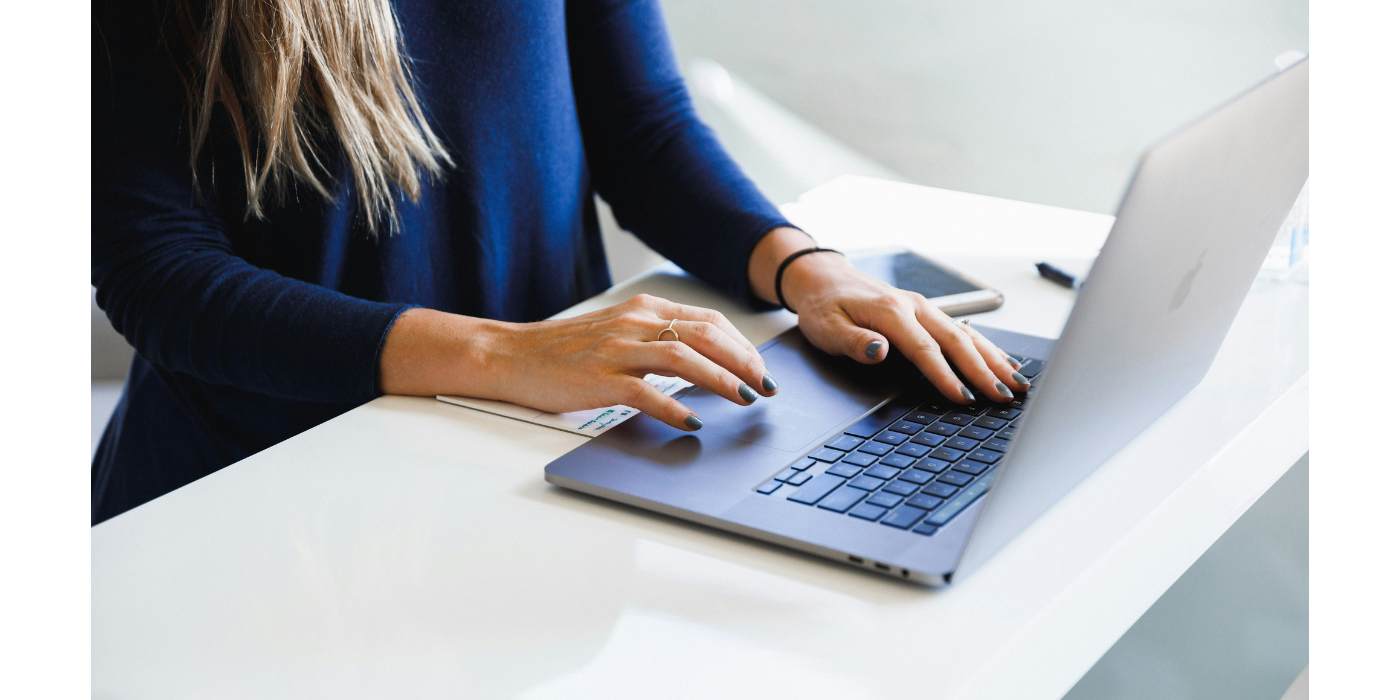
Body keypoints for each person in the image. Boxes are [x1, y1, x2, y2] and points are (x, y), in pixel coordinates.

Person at [91, 0, 1028, 525]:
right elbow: (155, 271)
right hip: (269, 494)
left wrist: (806, 269)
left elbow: (640, 123)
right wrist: (507, 355)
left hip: (539, 451)